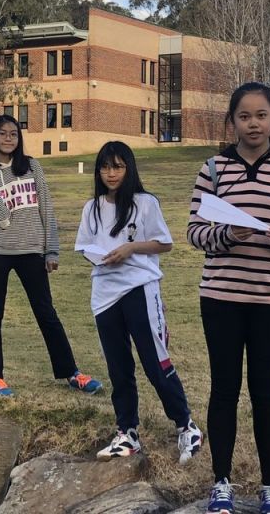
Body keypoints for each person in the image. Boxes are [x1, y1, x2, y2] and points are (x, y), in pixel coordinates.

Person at [187, 82, 270, 514]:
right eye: (244, 116)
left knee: (266, 392)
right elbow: (195, 232)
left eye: (261, 115)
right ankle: (221, 483)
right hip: (220, 297)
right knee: (224, 390)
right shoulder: (213, 169)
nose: (253, 124)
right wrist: (228, 234)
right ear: (232, 121)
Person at [74, 141, 202, 464]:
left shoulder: (145, 203)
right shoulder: (91, 208)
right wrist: (101, 257)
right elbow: (84, 246)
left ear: (129, 168)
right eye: (105, 167)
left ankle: (186, 426)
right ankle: (127, 432)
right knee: (118, 367)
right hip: (104, 295)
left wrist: (130, 249)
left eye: (117, 166)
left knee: (154, 362)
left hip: (139, 288)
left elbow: (164, 243)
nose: (111, 173)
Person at [0, 114, 102, 397]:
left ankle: (71, 372)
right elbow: (2, 219)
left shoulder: (32, 167)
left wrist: (51, 250)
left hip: (31, 250)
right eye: (2, 133)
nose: (8, 139)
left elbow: (47, 209)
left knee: (46, 313)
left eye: (13, 134)